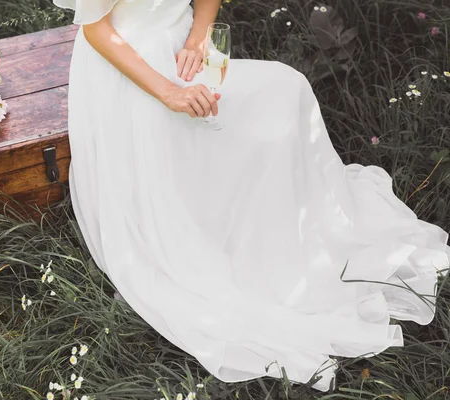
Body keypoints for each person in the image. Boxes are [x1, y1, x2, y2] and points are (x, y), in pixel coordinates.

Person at [52, 0, 450, 392]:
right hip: (134, 70)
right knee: (220, 125)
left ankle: (289, 232)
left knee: (287, 86)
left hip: (185, 51)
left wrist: (198, 38)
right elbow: (96, 30)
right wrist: (169, 93)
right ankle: (212, 218)